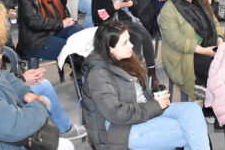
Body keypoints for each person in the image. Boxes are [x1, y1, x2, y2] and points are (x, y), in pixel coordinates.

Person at [82, 20, 209, 150]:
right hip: (118, 131)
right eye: (125, 43)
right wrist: (155, 105)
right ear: (110, 48)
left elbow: (136, 93)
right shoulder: (97, 75)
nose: (131, 45)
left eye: (129, 40)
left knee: (193, 110)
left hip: (140, 112)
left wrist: (156, 96)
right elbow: (116, 113)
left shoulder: (123, 59)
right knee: (189, 131)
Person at [91, 0, 159, 89]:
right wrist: (113, 8)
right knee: (136, 38)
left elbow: (136, 12)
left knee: (145, 35)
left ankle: (151, 71)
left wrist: (132, 5)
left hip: (128, 20)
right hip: (112, 24)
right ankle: (134, 72)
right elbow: (97, 18)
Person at [159, 0, 224, 98]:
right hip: (182, 54)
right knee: (216, 69)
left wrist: (220, 40)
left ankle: (219, 102)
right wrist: (204, 51)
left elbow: (214, 22)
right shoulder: (168, 11)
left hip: (207, 47)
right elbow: (177, 41)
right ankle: (213, 105)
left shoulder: (199, 1)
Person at [17, 0, 83, 61]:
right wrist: (61, 23)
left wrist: (68, 20)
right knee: (71, 48)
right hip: (36, 40)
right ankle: (80, 69)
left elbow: (64, 14)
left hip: (53, 33)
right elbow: (34, 21)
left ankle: (78, 67)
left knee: (77, 29)